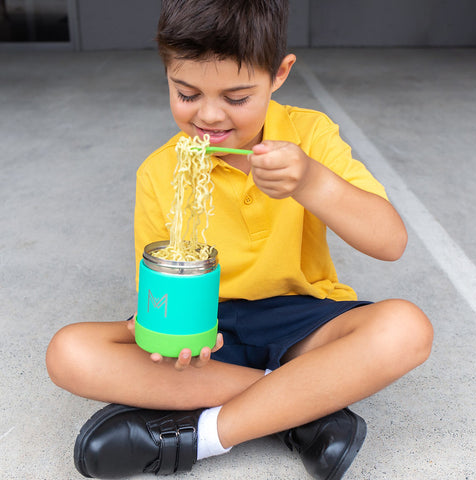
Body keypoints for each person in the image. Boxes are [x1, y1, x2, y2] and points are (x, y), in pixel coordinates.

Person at [46, 1, 434, 479]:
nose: (209, 116)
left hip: (301, 321)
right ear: (167, 73)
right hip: (206, 329)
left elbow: (390, 242)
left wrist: (312, 181)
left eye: (237, 97)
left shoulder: (310, 135)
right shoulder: (159, 171)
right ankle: (302, 406)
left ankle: (204, 437)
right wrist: (165, 331)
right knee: (69, 352)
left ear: (279, 73)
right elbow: (160, 289)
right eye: (187, 94)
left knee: (406, 328)